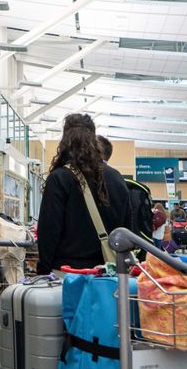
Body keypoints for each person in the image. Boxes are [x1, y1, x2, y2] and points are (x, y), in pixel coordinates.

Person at [35, 113, 130, 274]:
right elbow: (127, 230)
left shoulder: (59, 178)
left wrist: (43, 271)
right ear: (93, 139)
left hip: (68, 274)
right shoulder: (116, 178)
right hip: (108, 275)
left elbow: (48, 232)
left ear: (65, 140)